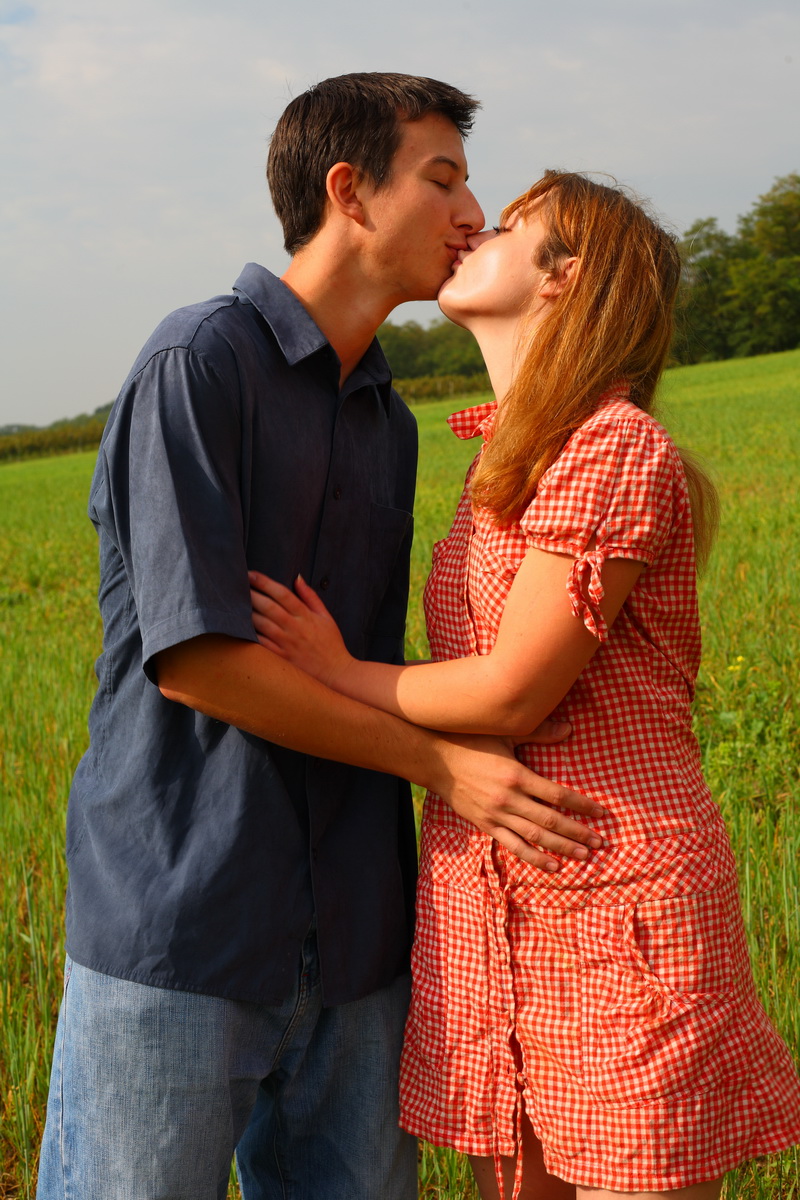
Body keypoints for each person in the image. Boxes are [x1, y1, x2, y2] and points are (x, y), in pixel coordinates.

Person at [36, 79, 606, 1200]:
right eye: (439, 178)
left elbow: (363, 662)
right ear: (348, 191)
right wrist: (444, 767)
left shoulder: (386, 420)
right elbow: (198, 662)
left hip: (355, 942)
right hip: (186, 925)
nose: (468, 210)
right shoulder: (200, 364)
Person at [250, 171, 800, 1200]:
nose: (471, 231)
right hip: (492, 896)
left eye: (506, 227)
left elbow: (509, 695)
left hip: (611, 897)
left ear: (565, 279)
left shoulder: (612, 445)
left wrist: (334, 673)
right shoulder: (499, 460)